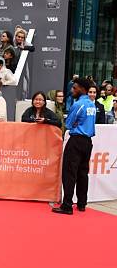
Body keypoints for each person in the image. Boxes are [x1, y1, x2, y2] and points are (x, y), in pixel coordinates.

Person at [52, 78, 96, 215]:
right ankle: (82, 204)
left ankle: (67, 205)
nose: (72, 90)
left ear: (82, 89)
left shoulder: (78, 105)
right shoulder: (92, 104)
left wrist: (74, 124)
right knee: (83, 173)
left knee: (69, 173)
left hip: (76, 141)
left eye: (75, 88)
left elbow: (69, 124)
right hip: (88, 142)